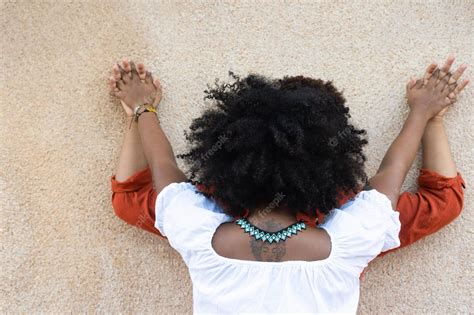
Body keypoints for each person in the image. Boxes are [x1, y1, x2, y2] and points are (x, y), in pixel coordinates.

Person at [107, 55, 468, 313]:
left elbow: (150, 177)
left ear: (225, 160)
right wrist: (424, 114)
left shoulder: (198, 229)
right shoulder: (354, 236)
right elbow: (406, 177)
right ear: (335, 163)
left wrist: (142, 109)